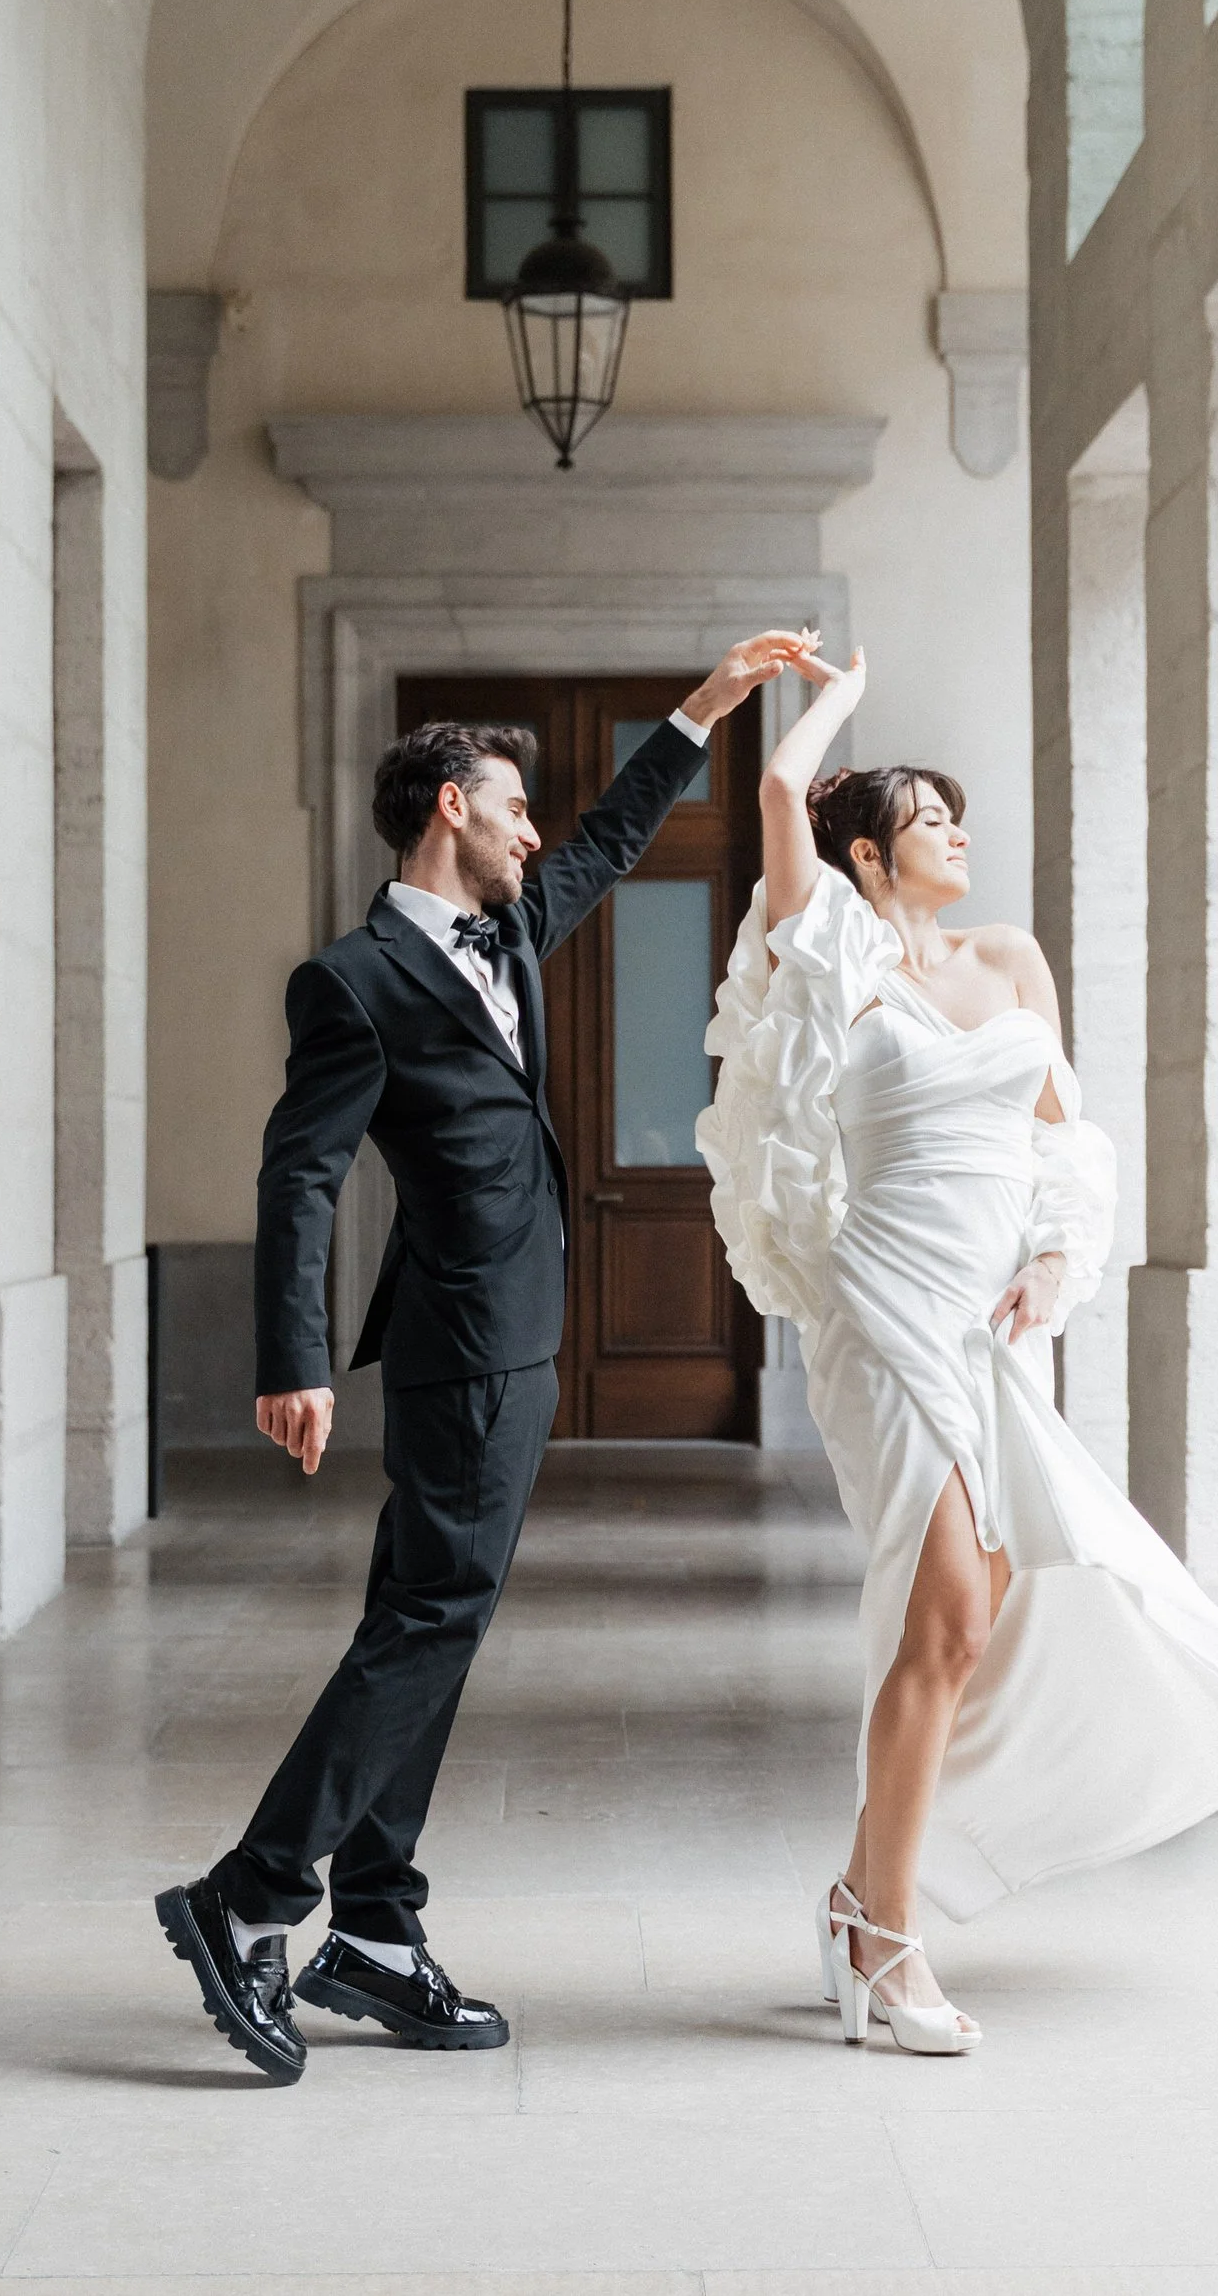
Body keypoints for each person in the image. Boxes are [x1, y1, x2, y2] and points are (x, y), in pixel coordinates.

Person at [157, 631, 818, 2084]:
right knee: (427, 1621)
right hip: (458, 1338)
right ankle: (252, 1896)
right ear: (447, 805)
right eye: (512, 805)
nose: (535, 831)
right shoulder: (352, 980)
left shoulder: (512, 930)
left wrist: (703, 709)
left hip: (523, 1334)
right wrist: (297, 1355)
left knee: (435, 1618)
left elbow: (607, 839)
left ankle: (378, 1930)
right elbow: (301, 1175)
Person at [699, 643, 1218, 2056]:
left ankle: (867, 1903)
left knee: (973, 1620)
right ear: (870, 853)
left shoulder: (1013, 960)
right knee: (947, 1618)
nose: (960, 837)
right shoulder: (838, 954)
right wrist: (836, 694)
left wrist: (1054, 1257)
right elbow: (781, 789)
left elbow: (1062, 1140)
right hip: (887, 1299)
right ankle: (886, 1944)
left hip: (996, 1316)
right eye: (931, 819)